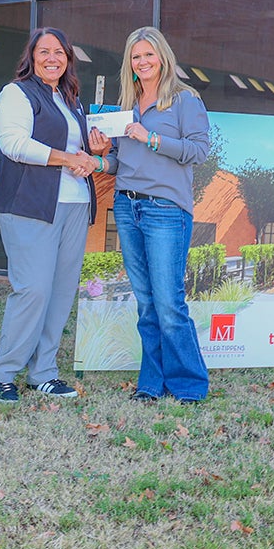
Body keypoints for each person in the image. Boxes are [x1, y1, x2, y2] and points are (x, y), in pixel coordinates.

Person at [88, 26, 210, 404]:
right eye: (136, 56)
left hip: (166, 210)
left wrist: (152, 138)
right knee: (146, 303)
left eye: (148, 54)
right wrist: (97, 159)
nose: (142, 62)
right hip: (127, 207)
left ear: (162, 57)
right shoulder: (127, 105)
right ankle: (151, 383)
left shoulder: (185, 100)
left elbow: (199, 151)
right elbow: (119, 161)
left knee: (169, 302)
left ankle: (189, 384)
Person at [0, 27, 97, 403]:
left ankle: (44, 372)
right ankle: (3, 373)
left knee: (61, 292)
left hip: (75, 204)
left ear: (68, 59)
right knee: (33, 289)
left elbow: (79, 150)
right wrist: (67, 158)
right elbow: (13, 144)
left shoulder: (70, 99)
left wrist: (93, 150)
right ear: (31, 57)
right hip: (29, 204)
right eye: (44, 51)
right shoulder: (17, 93)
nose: (52, 58)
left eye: (59, 52)